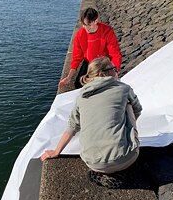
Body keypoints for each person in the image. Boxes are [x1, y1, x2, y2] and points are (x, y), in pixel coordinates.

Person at [42, 57, 142, 189]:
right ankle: (119, 159)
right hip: (127, 158)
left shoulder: (82, 96)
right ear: (102, 74)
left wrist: (56, 151)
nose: (117, 71)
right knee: (129, 106)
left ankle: (101, 172)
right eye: (113, 69)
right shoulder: (123, 88)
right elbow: (138, 110)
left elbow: (72, 128)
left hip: (92, 162)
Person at [58, 7, 122, 90]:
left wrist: (115, 71)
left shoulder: (107, 31)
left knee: (102, 85)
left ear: (96, 21)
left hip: (104, 63)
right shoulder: (80, 35)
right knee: (78, 84)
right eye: (84, 25)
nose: (86, 28)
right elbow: (76, 58)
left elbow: (115, 54)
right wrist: (69, 77)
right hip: (89, 62)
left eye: (89, 25)